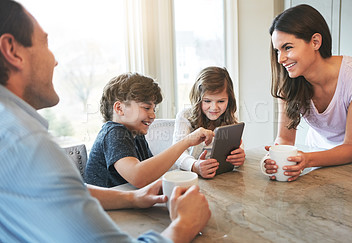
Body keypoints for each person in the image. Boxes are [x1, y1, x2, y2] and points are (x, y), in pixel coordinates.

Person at [0, 1, 210, 242]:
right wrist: (185, 225)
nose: (55, 61)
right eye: (45, 43)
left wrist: (133, 197)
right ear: (12, 51)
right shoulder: (28, 143)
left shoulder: (12, 134)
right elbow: (139, 176)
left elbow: (69, 194)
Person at [262, 4, 352, 182]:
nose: (280, 59)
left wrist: (307, 159)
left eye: (287, 47)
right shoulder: (289, 84)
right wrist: (276, 158)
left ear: (315, 42)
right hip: (317, 158)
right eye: (277, 50)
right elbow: (284, 137)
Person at [85, 72, 214, 188]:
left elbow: (151, 173)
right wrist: (187, 141)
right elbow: (139, 177)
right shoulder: (114, 133)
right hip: (106, 212)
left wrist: (194, 165)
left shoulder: (136, 134)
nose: (153, 115)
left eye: (154, 109)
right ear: (119, 108)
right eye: (146, 108)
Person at [173, 66, 245, 178]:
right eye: (207, 101)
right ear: (198, 99)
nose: (214, 107)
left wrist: (239, 156)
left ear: (229, 100)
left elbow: (238, 146)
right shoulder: (185, 116)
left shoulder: (230, 116)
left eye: (221, 101)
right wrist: (195, 165)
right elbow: (177, 153)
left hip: (222, 177)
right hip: (191, 179)